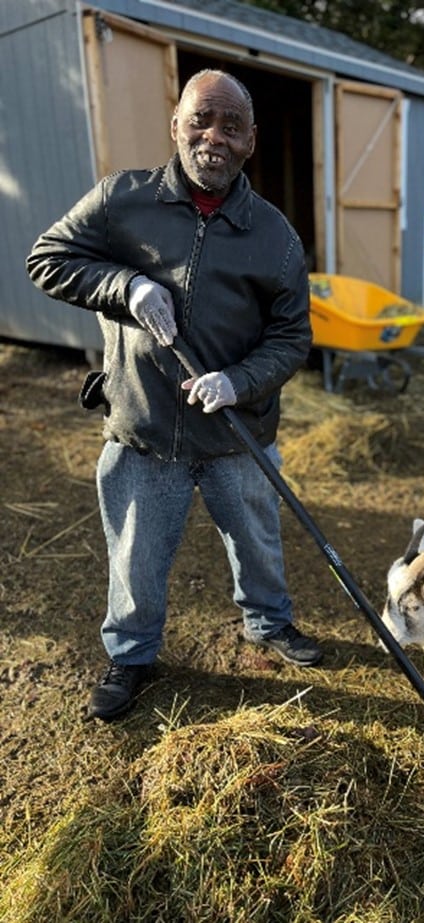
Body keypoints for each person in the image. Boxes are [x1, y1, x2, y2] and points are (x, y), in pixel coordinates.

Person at [26, 69, 323, 722]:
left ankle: (268, 622)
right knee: (135, 550)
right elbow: (47, 258)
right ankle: (131, 654)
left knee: (258, 539)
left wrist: (239, 380)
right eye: (200, 120)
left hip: (235, 432)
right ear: (176, 126)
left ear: (250, 141)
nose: (213, 136)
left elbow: (293, 337)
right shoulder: (121, 201)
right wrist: (125, 286)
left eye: (231, 126)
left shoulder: (274, 236)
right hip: (144, 426)